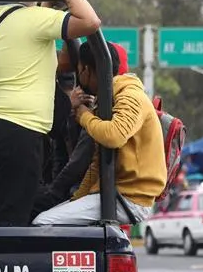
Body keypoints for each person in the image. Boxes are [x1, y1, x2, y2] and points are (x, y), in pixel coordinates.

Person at [0, 0, 101, 226]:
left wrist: (43, 6)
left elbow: (41, 52)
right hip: (20, 133)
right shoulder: (35, 20)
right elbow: (90, 21)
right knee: (11, 221)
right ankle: (3, 266)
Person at [33, 40, 166, 225]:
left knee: (43, 222)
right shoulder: (109, 99)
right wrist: (75, 199)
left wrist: (83, 116)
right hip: (115, 193)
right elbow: (97, 165)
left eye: (79, 70)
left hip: (130, 199)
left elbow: (114, 136)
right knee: (55, 214)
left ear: (86, 70)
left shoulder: (130, 95)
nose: (79, 77)